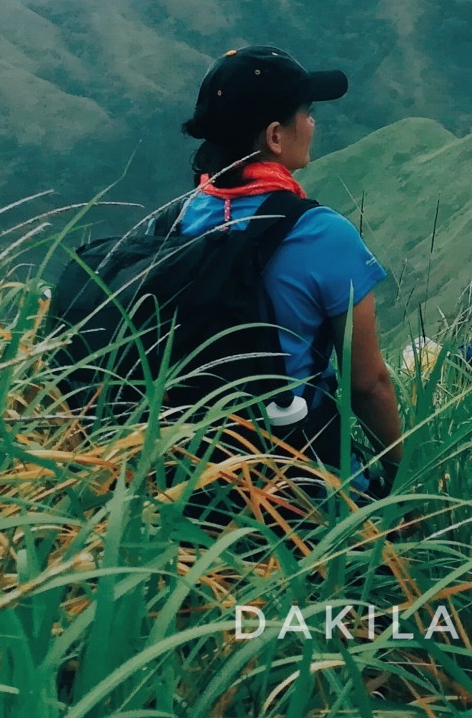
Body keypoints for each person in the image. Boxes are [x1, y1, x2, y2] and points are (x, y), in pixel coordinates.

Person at [172, 45, 402, 501]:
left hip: (198, 484)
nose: (313, 123)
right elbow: (367, 384)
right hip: (307, 488)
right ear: (276, 136)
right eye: (307, 111)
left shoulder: (179, 221)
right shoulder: (321, 233)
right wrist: (403, 474)